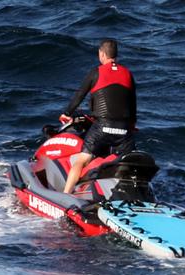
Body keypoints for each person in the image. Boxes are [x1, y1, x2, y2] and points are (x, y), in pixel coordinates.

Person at [58, 39, 137, 195]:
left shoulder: (97, 72)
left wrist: (66, 114)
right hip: (124, 131)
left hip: (102, 127)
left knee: (81, 160)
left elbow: (80, 94)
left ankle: (65, 195)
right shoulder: (128, 73)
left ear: (102, 54)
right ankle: (133, 195)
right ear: (116, 55)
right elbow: (132, 102)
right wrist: (132, 125)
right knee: (128, 164)